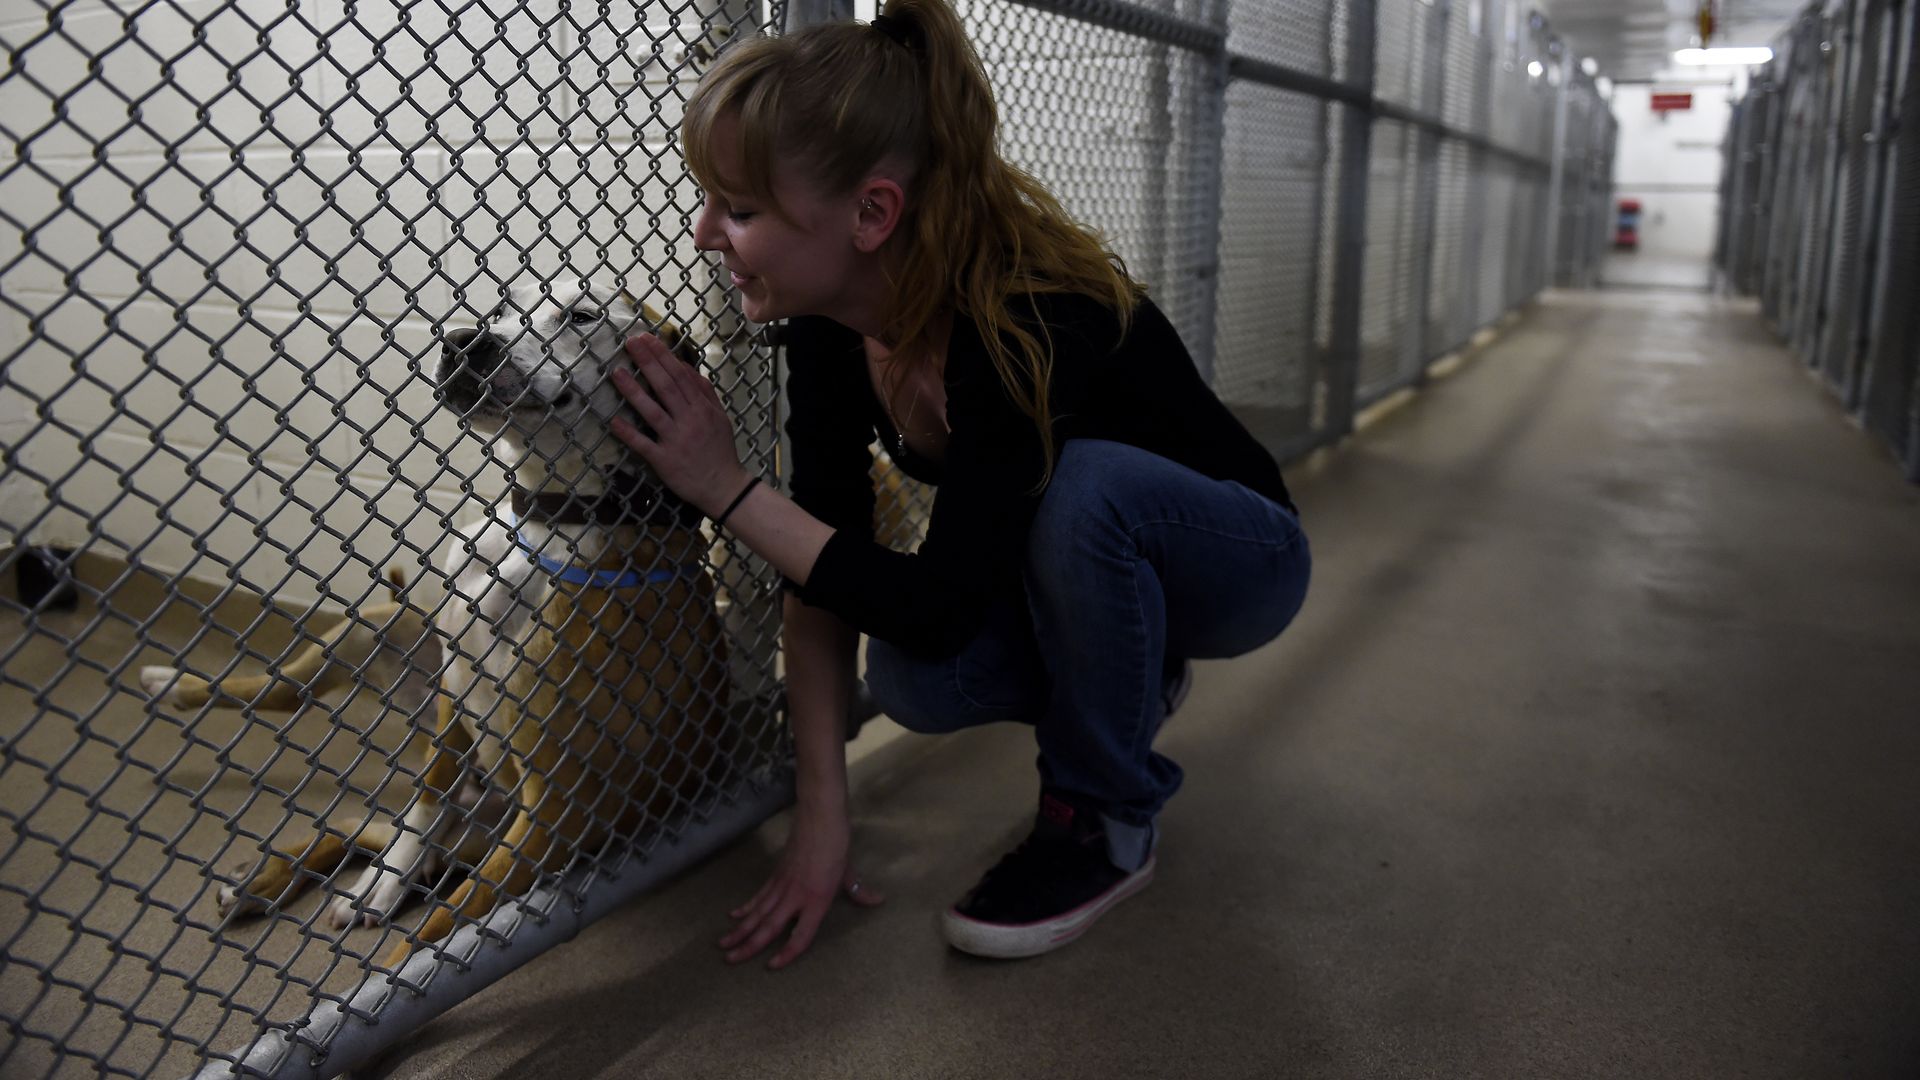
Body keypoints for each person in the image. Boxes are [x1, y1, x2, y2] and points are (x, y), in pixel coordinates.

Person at [607, 0, 1310, 966]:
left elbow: (935, 600)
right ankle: (1132, 667)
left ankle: (1103, 821)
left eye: (741, 208)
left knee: (1086, 488)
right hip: (1090, 561)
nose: (703, 234)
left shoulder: (1023, 315)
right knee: (911, 681)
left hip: (1244, 559)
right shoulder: (825, 324)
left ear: (871, 214)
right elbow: (830, 571)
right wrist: (823, 824)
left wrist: (726, 487)